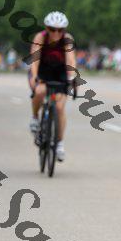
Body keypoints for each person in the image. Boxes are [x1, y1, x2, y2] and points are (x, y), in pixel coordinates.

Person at [28, 11, 76, 162]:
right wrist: (35, 77)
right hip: (42, 69)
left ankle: (59, 143)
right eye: (52, 29)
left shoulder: (67, 39)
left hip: (60, 71)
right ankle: (35, 118)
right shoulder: (40, 37)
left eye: (60, 30)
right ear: (46, 28)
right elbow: (35, 59)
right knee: (40, 91)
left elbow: (70, 60)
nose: (56, 33)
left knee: (60, 108)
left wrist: (72, 78)